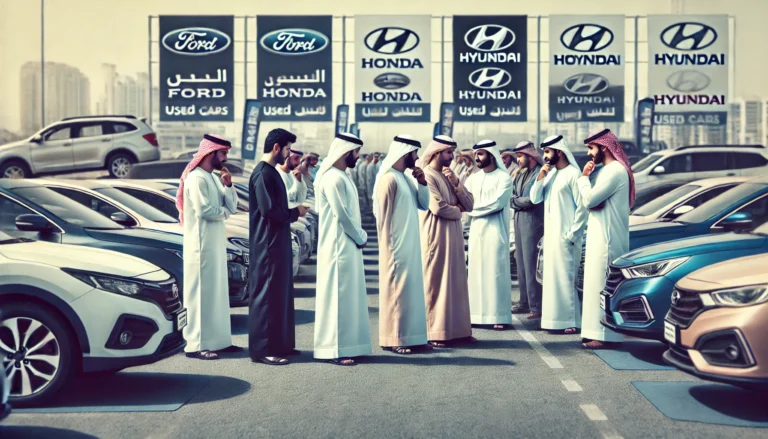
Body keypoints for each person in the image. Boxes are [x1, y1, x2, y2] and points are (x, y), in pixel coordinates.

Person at [247, 128, 309, 366]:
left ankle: (281, 344)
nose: (288, 153)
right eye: (287, 149)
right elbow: (269, 210)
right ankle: (263, 350)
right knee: (267, 297)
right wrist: (296, 212)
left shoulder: (271, 172)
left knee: (279, 295)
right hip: (267, 246)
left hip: (276, 243)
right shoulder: (263, 174)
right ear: (276, 148)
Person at [176, 134, 241, 360]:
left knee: (217, 295)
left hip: (214, 245)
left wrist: (228, 185)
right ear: (210, 153)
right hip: (200, 247)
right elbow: (206, 211)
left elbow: (231, 206)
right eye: (222, 153)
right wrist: (223, 212)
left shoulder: (213, 178)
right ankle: (195, 345)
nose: (225, 158)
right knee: (200, 297)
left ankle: (220, 341)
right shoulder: (196, 179)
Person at [314, 132, 372, 366]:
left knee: (346, 297)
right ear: (348, 152)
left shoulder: (340, 175)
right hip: (338, 245)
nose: (358, 157)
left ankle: (347, 346)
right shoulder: (333, 178)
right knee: (337, 298)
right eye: (356, 152)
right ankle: (335, 350)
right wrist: (360, 237)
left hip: (346, 244)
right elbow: (342, 215)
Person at [372, 135, 431, 354]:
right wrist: (387, 247)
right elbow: (382, 216)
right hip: (395, 247)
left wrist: (422, 182)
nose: (416, 158)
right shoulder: (389, 179)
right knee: (397, 293)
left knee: (412, 293)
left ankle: (415, 337)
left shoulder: (405, 178)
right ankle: (395, 338)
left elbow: (424, 205)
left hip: (411, 246)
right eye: (415, 154)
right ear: (406, 153)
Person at [578, 128, 635, 349]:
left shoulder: (614, 171)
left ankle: (604, 335)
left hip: (608, 240)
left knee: (602, 286)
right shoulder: (609, 170)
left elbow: (590, 200)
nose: (590, 154)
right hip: (601, 237)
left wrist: (583, 180)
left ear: (604, 147)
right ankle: (595, 332)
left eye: (592, 148)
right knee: (595, 285)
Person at [530, 135, 589, 333]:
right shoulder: (551, 174)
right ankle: (552, 320)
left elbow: (583, 207)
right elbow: (535, 198)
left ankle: (571, 321)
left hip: (567, 238)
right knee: (551, 281)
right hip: (552, 237)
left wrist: (572, 235)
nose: (545, 156)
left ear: (559, 152)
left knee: (565, 280)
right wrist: (540, 177)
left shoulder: (573, 174)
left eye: (547, 152)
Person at [420, 135, 475, 347]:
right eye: (448, 152)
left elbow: (469, 204)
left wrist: (456, 183)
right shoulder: (427, 175)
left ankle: (459, 331)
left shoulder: (449, 176)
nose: (452, 157)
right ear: (436, 153)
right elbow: (438, 208)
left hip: (453, 236)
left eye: (452, 152)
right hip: (435, 236)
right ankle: (436, 333)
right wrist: (458, 210)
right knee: (436, 283)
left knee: (456, 283)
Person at [464, 140, 514, 329]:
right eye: (476, 154)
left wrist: (471, 210)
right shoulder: (473, 178)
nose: (477, 157)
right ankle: (476, 315)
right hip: (476, 232)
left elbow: (497, 203)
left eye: (481, 154)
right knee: (476, 273)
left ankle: (499, 317)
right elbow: (464, 199)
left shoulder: (504, 178)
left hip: (495, 232)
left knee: (495, 274)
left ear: (491, 155)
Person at [508, 141, 546, 320]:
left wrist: (515, 202)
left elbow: (531, 200)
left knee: (531, 264)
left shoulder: (539, 173)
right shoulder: (521, 173)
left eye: (520, 156)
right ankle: (524, 302)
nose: (518, 159)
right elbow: (512, 195)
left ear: (530, 156)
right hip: (519, 222)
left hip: (533, 223)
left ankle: (536, 306)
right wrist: (516, 201)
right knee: (520, 261)